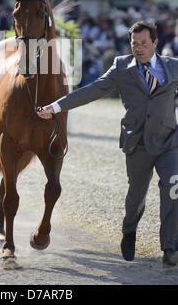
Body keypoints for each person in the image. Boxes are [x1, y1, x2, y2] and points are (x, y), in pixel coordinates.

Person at [37, 21, 178, 267]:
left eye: (144, 43)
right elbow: (92, 90)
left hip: (169, 142)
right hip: (137, 143)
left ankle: (170, 247)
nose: (139, 48)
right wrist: (56, 106)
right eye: (135, 43)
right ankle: (129, 230)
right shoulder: (121, 67)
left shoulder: (173, 67)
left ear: (155, 43)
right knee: (136, 195)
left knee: (173, 190)